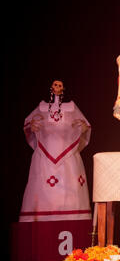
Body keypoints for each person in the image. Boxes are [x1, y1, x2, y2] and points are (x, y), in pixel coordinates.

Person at [20, 80, 92, 222]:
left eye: (59, 85)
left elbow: (85, 126)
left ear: (63, 88)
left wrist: (83, 128)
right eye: (55, 85)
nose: (57, 87)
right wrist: (31, 127)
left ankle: (72, 220)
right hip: (44, 156)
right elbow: (28, 125)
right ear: (51, 88)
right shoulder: (41, 108)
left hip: (68, 158)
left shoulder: (71, 108)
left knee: (70, 188)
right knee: (41, 186)